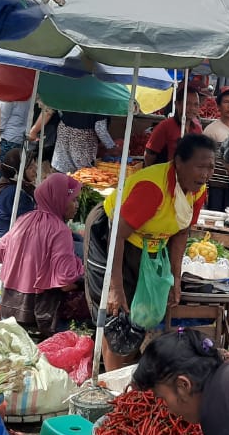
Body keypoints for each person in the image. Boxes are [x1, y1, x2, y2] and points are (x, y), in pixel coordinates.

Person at [83, 134, 214, 371]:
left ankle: (127, 367)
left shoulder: (197, 191)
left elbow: (182, 233)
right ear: (178, 163)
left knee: (139, 305)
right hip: (110, 236)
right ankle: (113, 379)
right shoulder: (152, 188)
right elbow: (117, 235)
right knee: (118, 310)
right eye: (199, 166)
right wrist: (115, 287)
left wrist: (176, 278)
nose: (205, 173)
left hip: (148, 242)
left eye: (210, 167)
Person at [0, 173, 84, 336]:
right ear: (59, 200)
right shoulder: (59, 230)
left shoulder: (23, 219)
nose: (76, 205)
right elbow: (66, 282)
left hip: (8, 307)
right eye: (73, 199)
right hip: (39, 313)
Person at [145, 88, 204, 165]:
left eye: (196, 104)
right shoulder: (165, 126)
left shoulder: (198, 129)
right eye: (187, 104)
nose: (192, 108)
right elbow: (149, 156)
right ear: (177, 104)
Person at [0, 147, 39, 237]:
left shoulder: (6, 184)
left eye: (34, 165)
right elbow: (32, 223)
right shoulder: (16, 193)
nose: (35, 169)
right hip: (14, 241)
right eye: (30, 167)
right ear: (17, 171)